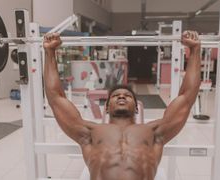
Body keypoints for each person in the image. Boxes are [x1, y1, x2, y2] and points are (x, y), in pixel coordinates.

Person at [43, 31, 201, 180]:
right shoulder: (89, 133)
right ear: (106, 107)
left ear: (137, 107)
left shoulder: (154, 132)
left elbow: (186, 97)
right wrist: (50, 52)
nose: (121, 96)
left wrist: (195, 49)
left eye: (127, 96)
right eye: (115, 95)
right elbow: (56, 98)